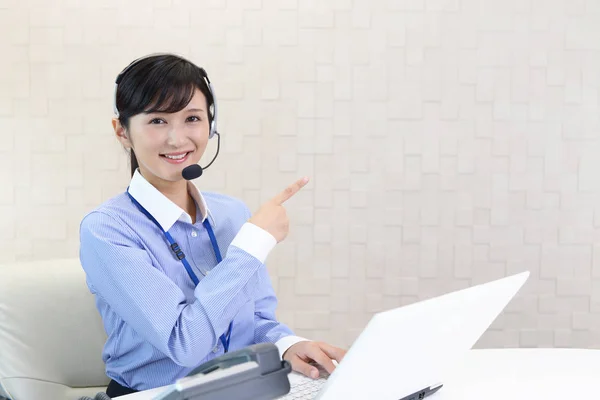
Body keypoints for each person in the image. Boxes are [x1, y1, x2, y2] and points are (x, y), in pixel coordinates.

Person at [78, 53, 347, 397]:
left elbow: (255, 320)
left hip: (241, 389)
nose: (177, 139)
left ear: (211, 125)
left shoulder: (232, 213)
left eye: (192, 118)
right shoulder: (107, 230)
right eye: (158, 121)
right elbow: (184, 343)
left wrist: (287, 345)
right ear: (123, 132)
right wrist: (253, 245)